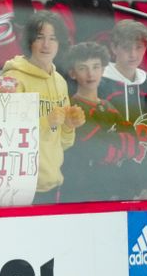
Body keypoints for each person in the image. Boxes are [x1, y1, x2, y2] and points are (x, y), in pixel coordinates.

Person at [0, 11, 85, 204]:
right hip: (20, 186)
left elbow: (63, 142)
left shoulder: (59, 81)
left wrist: (68, 125)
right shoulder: (12, 79)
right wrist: (46, 121)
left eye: (53, 38)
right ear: (29, 41)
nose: (46, 45)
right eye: (40, 38)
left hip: (52, 184)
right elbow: (1, 134)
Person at [60, 42, 140, 202]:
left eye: (96, 67)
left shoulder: (108, 106)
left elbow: (135, 145)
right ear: (73, 73)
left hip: (112, 189)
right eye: (83, 68)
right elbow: (98, 151)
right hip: (83, 192)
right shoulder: (73, 108)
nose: (91, 74)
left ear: (103, 70)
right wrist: (118, 145)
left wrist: (110, 141)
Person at [99, 20, 147, 197]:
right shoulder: (99, 82)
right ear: (114, 48)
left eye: (138, 47)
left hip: (144, 179)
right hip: (107, 181)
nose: (133, 54)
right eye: (127, 48)